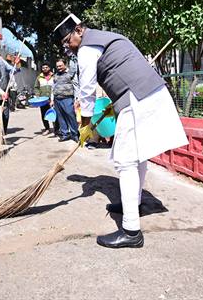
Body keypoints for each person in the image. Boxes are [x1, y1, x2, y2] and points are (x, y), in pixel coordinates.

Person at [54, 13, 188, 249]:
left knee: (125, 161)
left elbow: (87, 90)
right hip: (145, 94)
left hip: (137, 98)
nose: (69, 48)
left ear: (79, 30)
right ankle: (133, 205)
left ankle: (131, 231)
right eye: (64, 45)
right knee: (138, 156)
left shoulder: (86, 49)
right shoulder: (106, 37)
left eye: (68, 41)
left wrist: (85, 125)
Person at [51, 58, 79, 142]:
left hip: (67, 98)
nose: (58, 68)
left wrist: (77, 99)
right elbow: (53, 87)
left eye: (60, 66)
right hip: (57, 99)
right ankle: (65, 134)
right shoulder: (55, 75)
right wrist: (52, 99)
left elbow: (76, 86)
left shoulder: (70, 74)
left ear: (65, 65)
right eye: (57, 66)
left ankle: (75, 134)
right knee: (61, 117)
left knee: (71, 116)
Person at [33, 62, 55, 134]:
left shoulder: (54, 76)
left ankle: (56, 129)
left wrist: (53, 99)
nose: (45, 69)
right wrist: (37, 94)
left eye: (46, 67)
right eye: (43, 68)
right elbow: (36, 87)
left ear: (49, 68)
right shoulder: (39, 77)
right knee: (44, 114)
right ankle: (47, 128)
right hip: (43, 100)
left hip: (53, 99)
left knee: (54, 114)